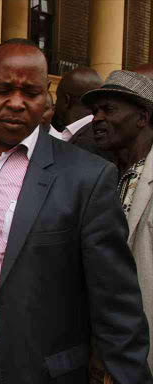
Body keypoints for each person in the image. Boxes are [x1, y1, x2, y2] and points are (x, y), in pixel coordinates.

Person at [0, 38, 152, 384]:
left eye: (30, 93)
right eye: (3, 90)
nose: (15, 103)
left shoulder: (85, 177)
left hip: (39, 371)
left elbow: (116, 302)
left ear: (47, 95)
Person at [81, 70, 153, 374]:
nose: (96, 118)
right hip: (102, 351)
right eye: (95, 111)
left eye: (108, 109)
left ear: (142, 117)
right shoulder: (100, 177)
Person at [52, 67, 109, 155]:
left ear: (67, 100)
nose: (55, 105)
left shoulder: (87, 142)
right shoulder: (105, 136)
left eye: (58, 98)